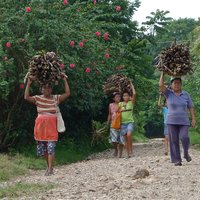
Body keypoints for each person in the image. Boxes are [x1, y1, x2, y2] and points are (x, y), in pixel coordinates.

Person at [24, 74, 70, 175]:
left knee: (51, 147)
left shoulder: (55, 98)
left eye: (49, 88)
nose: (47, 90)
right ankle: (48, 166)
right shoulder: (38, 98)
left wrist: (65, 80)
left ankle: (50, 169)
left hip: (51, 128)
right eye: (44, 88)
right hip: (40, 128)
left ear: (51, 90)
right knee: (44, 149)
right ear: (41, 89)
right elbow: (26, 97)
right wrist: (29, 83)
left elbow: (67, 94)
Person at [159, 72, 196, 166]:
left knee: (184, 137)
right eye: (174, 83)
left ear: (181, 85)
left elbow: (191, 107)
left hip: (184, 121)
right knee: (174, 140)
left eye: (178, 83)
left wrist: (193, 119)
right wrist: (162, 73)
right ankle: (177, 160)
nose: (176, 84)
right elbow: (161, 85)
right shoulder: (168, 93)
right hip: (171, 121)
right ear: (171, 85)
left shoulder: (186, 94)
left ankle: (186, 153)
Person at [119, 82, 136, 158]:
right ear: (122, 97)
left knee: (129, 135)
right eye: (124, 96)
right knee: (125, 139)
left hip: (130, 122)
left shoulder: (131, 103)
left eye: (127, 95)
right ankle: (128, 153)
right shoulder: (120, 104)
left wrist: (131, 85)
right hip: (122, 123)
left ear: (129, 96)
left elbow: (134, 94)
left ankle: (131, 149)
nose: (125, 97)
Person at [107, 92, 124, 158]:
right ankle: (116, 149)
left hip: (121, 124)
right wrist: (108, 122)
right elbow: (109, 114)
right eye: (117, 97)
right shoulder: (110, 105)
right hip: (113, 124)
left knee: (121, 140)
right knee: (114, 140)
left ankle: (120, 154)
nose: (118, 98)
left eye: (119, 97)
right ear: (113, 98)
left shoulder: (122, 104)